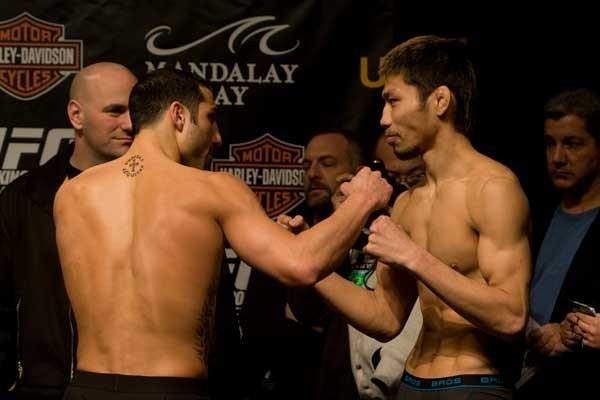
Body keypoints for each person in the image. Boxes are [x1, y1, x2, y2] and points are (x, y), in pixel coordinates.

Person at [53, 69, 391, 400]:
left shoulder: (72, 193)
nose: (217, 137)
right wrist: (361, 200)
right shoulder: (211, 190)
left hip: (86, 388)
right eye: (210, 117)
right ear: (178, 115)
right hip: (170, 391)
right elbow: (301, 264)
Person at [307, 35, 531, 400]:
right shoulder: (409, 203)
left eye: (393, 101)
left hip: (473, 384)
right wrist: (309, 266)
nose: (383, 119)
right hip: (410, 384)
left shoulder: (493, 188)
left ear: (440, 101)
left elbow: (511, 317)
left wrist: (413, 256)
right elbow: (384, 318)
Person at [0, 62, 137, 400]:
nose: (131, 123)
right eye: (115, 111)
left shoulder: (160, 198)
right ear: (77, 115)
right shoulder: (25, 199)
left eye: (136, 111)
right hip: (46, 390)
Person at [241, 129, 363, 400]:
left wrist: (349, 219)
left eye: (327, 164)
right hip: (290, 386)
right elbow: (258, 325)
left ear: (357, 172)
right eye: (307, 165)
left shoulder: (374, 233)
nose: (313, 174)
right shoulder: (284, 229)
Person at [515, 88, 600, 398]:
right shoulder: (531, 210)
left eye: (572, 144)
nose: (558, 157)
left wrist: (570, 333)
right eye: (550, 144)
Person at [346, 133, 425, 400]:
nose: (400, 190)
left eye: (413, 178)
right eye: (390, 179)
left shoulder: (440, 222)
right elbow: (307, 311)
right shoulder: (352, 216)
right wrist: (345, 221)